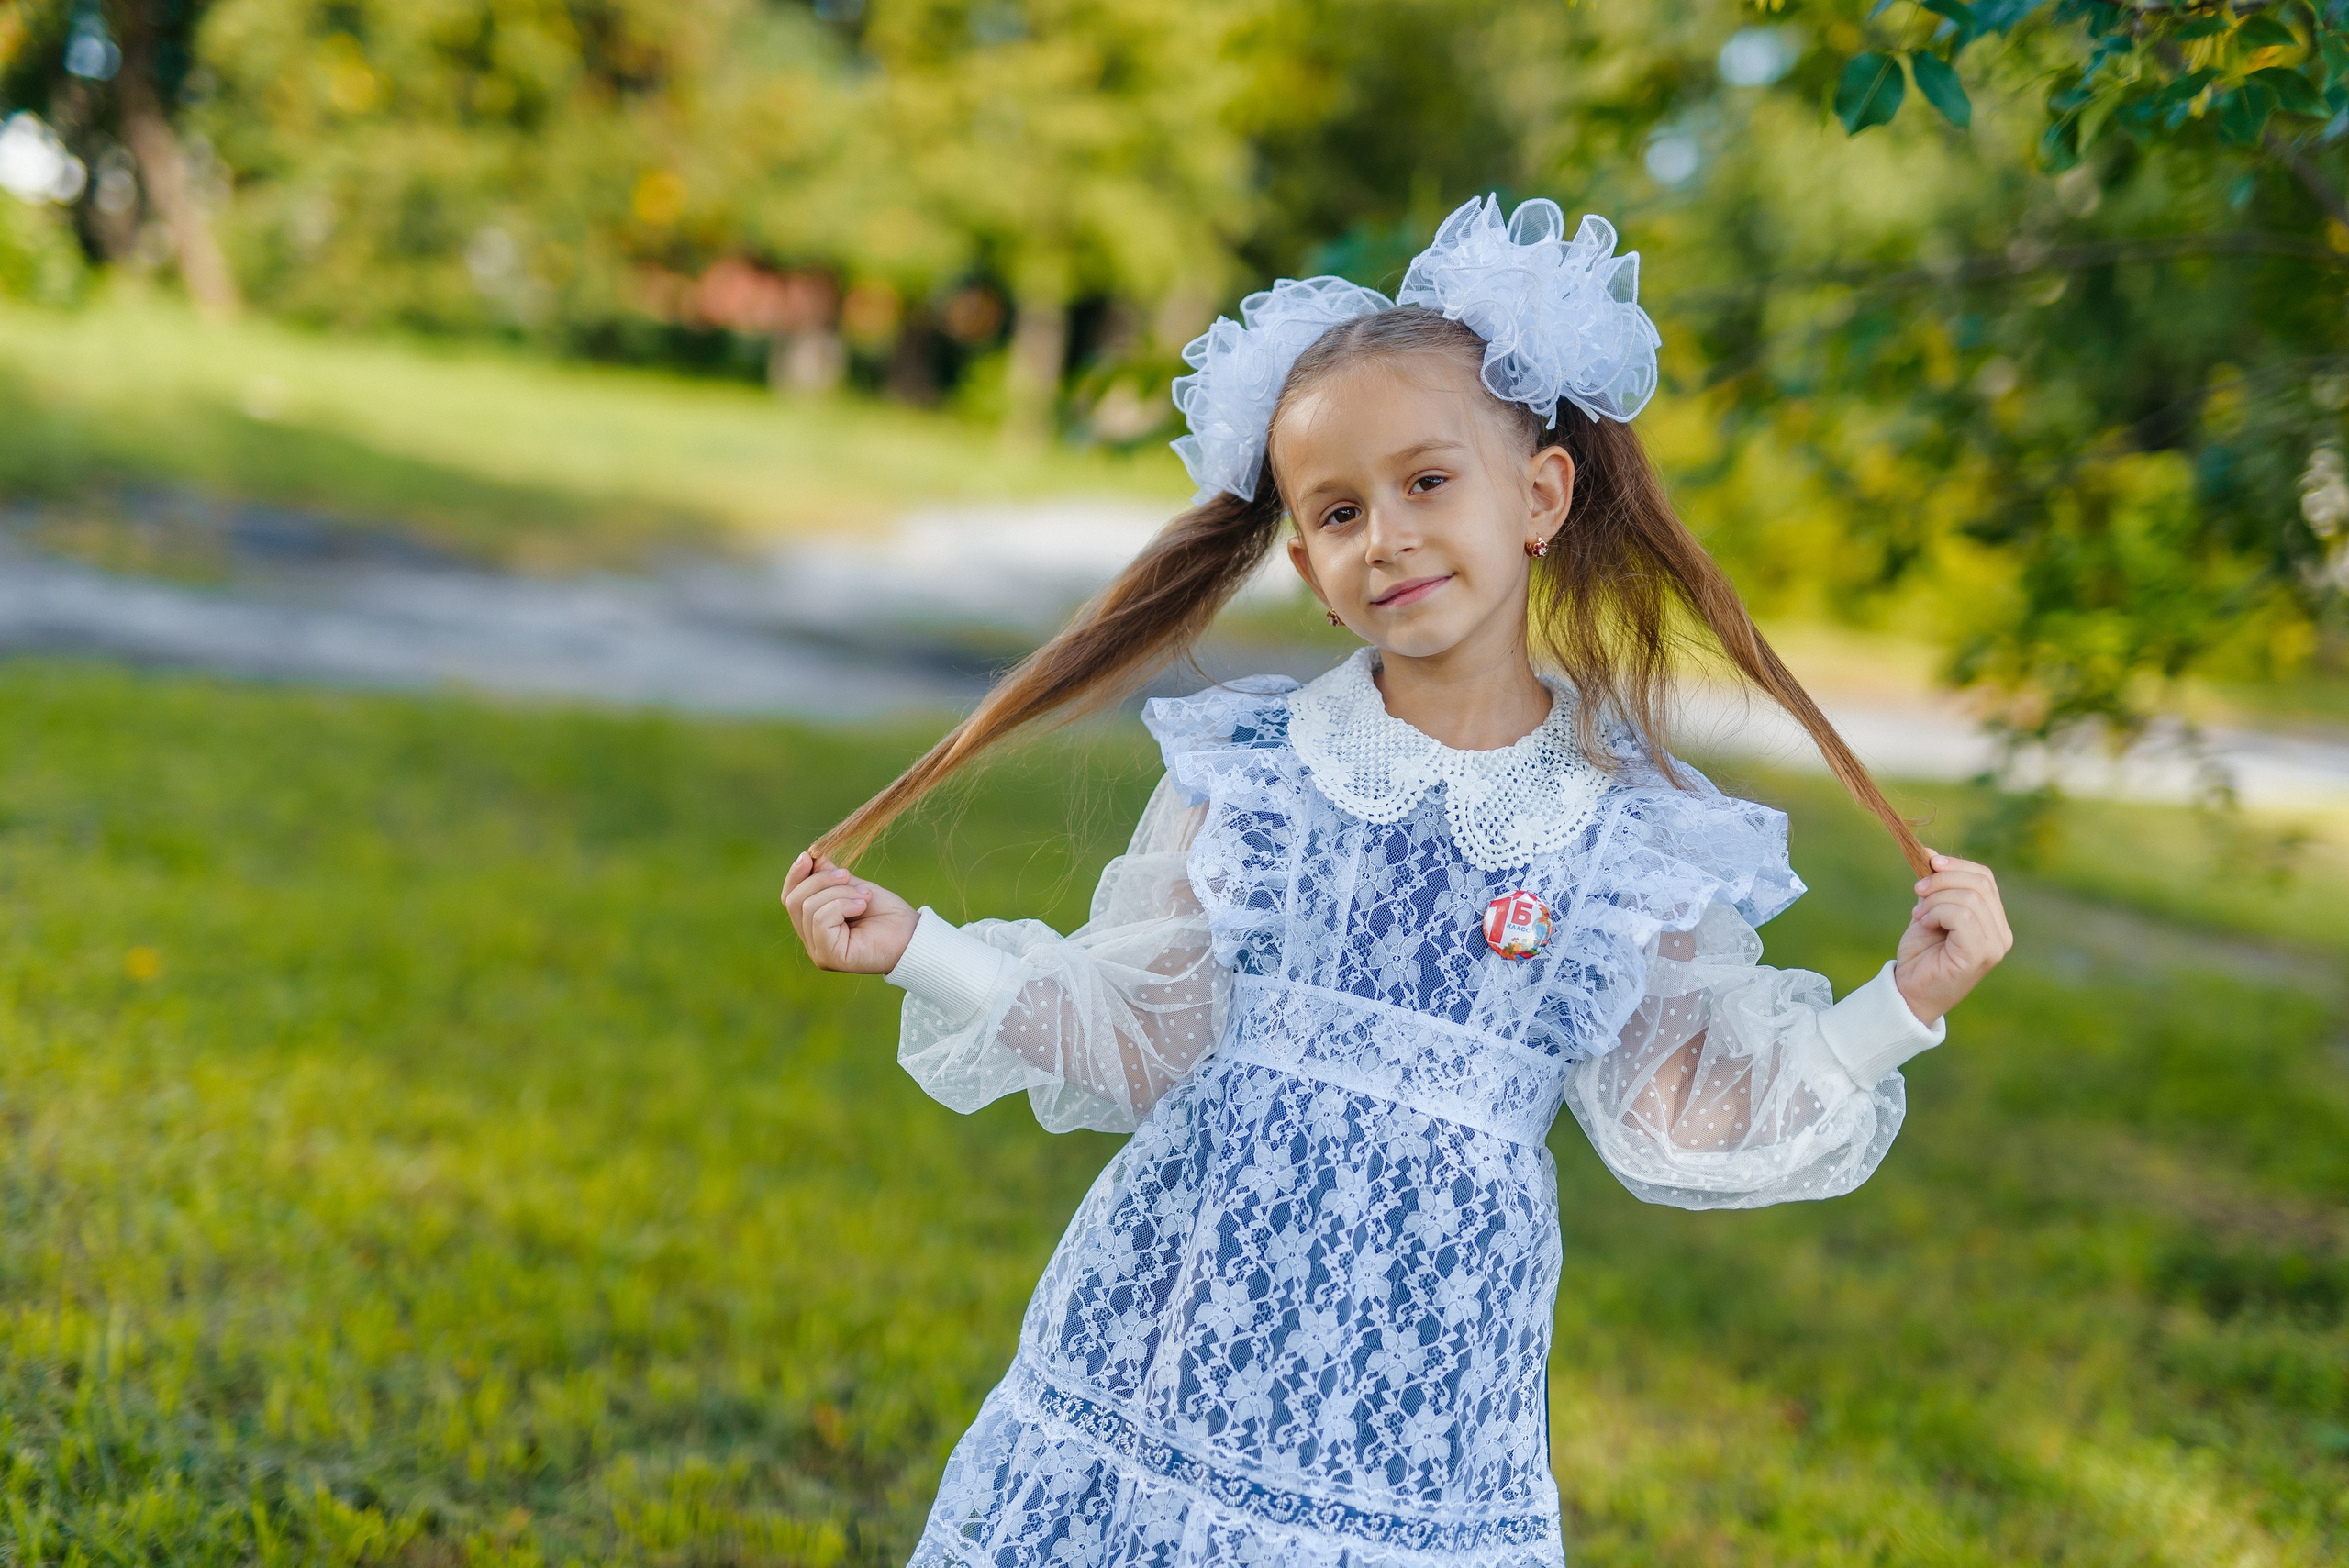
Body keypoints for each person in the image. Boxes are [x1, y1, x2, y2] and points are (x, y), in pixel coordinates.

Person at [783, 195, 2012, 1568]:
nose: (1389, 535)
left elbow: (1678, 1114)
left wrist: (1902, 1003)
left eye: (1430, 482)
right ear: (1307, 567)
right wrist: (920, 945)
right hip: (1175, 1342)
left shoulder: (1628, 833)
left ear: (1539, 496)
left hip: (1419, 1406)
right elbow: (1139, 1040)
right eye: (1340, 510)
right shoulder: (1256, 772)